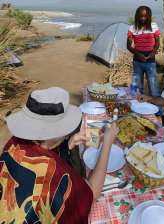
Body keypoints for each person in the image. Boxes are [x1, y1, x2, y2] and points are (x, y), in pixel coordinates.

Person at [0, 87, 118, 224]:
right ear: (54, 132)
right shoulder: (59, 175)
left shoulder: (13, 143)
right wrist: (107, 143)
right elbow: (91, 192)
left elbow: (41, 152)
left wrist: (68, 144)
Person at [127, 6, 161, 115]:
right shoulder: (132, 28)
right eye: (141, 15)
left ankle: (159, 115)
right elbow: (128, 45)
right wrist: (138, 54)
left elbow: (157, 41)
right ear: (137, 16)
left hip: (150, 62)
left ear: (149, 16)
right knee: (139, 89)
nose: (143, 18)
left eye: (145, 16)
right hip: (137, 62)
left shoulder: (154, 26)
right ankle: (139, 113)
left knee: (153, 89)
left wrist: (153, 52)